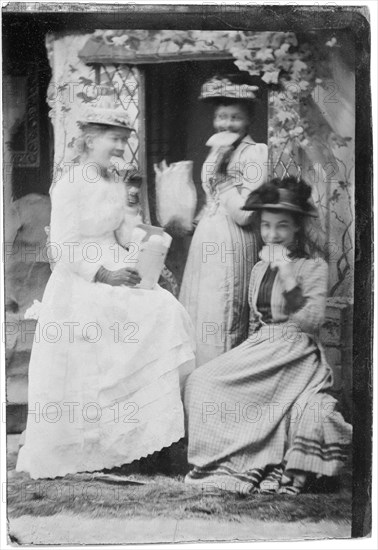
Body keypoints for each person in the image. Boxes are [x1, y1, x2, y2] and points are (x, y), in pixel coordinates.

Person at [16, 106, 195, 480]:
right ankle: (94, 447)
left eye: (124, 140)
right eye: (113, 139)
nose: (119, 146)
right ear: (89, 140)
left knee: (168, 312)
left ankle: (144, 441)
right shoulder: (69, 185)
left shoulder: (113, 180)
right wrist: (103, 273)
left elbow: (122, 231)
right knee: (98, 358)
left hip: (118, 264)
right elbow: (61, 248)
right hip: (81, 280)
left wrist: (151, 241)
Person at [184, 176, 352, 495]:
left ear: (297, 228)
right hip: (263, 346)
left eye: (282, 227)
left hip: (296, 353)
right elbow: (255, 322)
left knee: (212, 384)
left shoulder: (312, 266)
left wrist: (288, 275)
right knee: (200, 381)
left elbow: (311, 321)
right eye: (265, 226)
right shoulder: (260, 268)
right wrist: (240, 357)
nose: (272, 235)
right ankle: (221, 465)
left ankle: (256, 464)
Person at [179, 74, 268, 366]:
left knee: (222, 309)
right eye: (221, 117)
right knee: (200, 307)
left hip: (234, 240)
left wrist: (224, 181)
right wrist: (197, 218)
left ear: (248, 121)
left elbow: (245, 213)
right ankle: (196, 380)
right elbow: (211, 199)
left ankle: (221, 379)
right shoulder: (217, 150)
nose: (226, 124)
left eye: (235, 118)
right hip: (207, 239)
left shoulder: (255, 153)